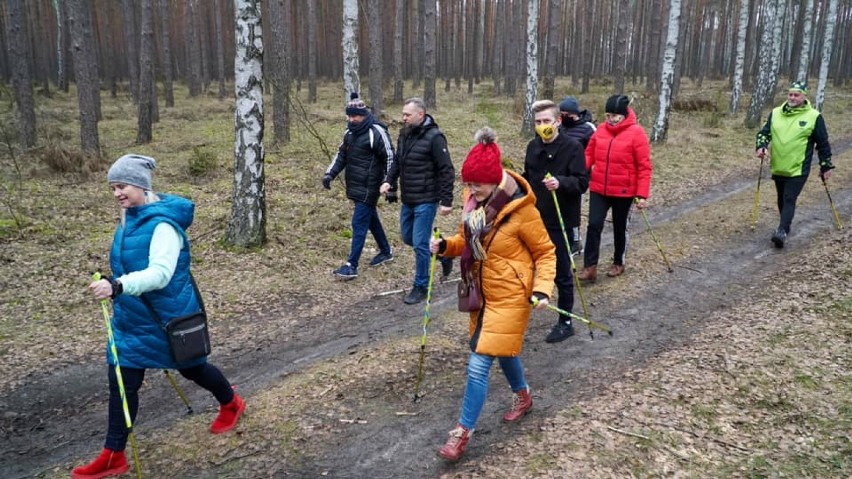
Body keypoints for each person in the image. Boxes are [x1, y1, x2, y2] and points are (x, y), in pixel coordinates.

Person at [74, 155, 245, 479]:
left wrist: (119, 285)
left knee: (194, 370)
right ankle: (114, 454)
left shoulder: (163, 225)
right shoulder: (129, 219)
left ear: (140, 185)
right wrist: (112, 282)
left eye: (122, 186)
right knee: (122, 383)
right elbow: (131, 266)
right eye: (112, 187)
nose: (117, 194)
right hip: (131, 318)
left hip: (167, 319)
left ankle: (232, 403)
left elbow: (160, 274)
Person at [431, 127, 556, 462]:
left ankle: (461, 433)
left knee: (478, 363)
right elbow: (465, 243)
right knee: (503, 349)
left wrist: (543, 288)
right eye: (468, 185)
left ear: (496, 179)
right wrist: (445, 247)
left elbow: (545, 252)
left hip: (513, 296)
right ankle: (524, 395)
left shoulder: (521, 210)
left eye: (477, 185)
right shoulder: (472, 201)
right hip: (480, 292)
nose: (471, 191)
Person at [523, 100, 589, 343]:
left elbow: (582, 182)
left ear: (558, 121)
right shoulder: (532, 147)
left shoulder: (572, 148)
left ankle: (566, 321)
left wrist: (561, 182)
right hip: (534, 217)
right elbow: (528, 179)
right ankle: (531, 304)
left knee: (562, 270)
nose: (542, 127)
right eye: (538, 123)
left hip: (561, 217)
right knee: (529, 265)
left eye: (547, 121)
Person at [380, 97, 455, 304]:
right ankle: (443, 255)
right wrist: (389, 181)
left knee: (420, 244)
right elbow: (397, 161)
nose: (403, 118)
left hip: (427, 198)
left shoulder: (435, 137)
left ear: (420, 115)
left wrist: (446, 200)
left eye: (407, 114)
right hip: (409, 197)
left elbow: (446, 170)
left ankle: (421, 285)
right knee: (407, 237)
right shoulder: (404, 134)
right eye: (403, 114)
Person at [579, 94, 652, 282]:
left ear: (624, 114)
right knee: (594, 225)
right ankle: (590, 267)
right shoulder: (601, 130)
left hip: (624, 191)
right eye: (608, 115)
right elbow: (589, 155)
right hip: (599, 188)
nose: (610, 119)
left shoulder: (637, 133)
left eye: (614, 116)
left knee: (620, 227)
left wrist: (641, 194)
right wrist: (578, 171)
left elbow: (644, 166)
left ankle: (619, 262)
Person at [323, 93, 395, 279]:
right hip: (355, 185)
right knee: (370, 219)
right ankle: (386, 251)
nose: (353, 119)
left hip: (371, 186)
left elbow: (390, 158)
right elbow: (341, 155)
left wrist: (390, 183)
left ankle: (351, 265)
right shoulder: (349, 133)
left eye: (356, 116)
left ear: (364, 114)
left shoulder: (376, 131)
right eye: (350, 116)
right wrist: (330, 174)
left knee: (358, 222)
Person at [755, 81, 834, 248]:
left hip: (799, 167)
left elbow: (823, 143)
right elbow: (764, 133)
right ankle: (786, 225)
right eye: (790, 94)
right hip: (779, 165)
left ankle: (782, 231)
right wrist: (761, 146)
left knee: (789, 197)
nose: (792, 97)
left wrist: (825, 165)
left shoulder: (814, 116)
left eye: (796, 95)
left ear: (804, 96)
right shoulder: (776, 113)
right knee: (781, 198)